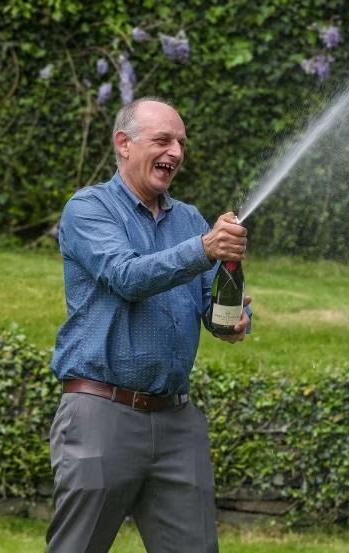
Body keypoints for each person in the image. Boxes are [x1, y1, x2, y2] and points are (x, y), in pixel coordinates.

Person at [46, 96, 251, 553]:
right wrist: (203, 248)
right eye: (163, 140)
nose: (175, 152)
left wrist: (234, 320)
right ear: (124, 143)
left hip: (177, 421)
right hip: (102, 413)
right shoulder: (88, 210)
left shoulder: (190, 221)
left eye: (181, 142)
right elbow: (126, 276)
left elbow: (211, 305)